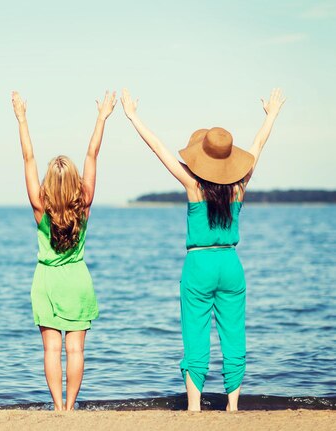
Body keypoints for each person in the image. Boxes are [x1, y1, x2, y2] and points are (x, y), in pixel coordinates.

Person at [120, 87, 286, 411]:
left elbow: (159, 148)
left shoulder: (193, 186)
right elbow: (258, 145)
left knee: (195, 335)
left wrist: (132, 116)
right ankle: (233, 407)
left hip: (198, 265)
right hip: (231, 264)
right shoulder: (240, 185)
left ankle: (194, 408)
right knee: (234, 336)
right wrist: (271, 115)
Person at [11, 89, 116, 410]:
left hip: (47, 281)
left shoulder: (40, 207)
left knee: (51, 350)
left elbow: (28, 158)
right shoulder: (83, 205)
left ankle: (57, 407)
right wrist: (102, 118)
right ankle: (71, 407)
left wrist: (21, 118)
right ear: (75, 183)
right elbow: (92, 155)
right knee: (76, 351)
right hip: (77, 281)